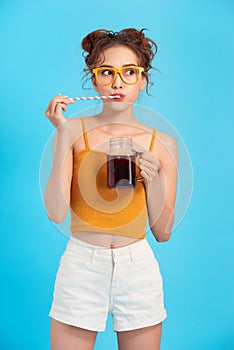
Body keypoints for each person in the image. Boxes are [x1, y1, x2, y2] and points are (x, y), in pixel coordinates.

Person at [44, 28, 178, 350]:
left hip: (138, 269)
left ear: (142, 80)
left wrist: (155, 178)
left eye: (129, 73)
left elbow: (162, 232)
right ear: (94, 80)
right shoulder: (72, 130)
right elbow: (56, 212)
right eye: (107, 72)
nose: (118, 83)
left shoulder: (162, 143)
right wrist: (62, 135)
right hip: (81, 265)